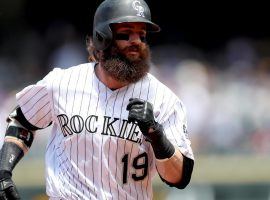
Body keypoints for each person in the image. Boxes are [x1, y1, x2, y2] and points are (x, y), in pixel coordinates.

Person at [0, 0, 194, 199]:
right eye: (126, 33)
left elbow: (179, 177)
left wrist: (156, 134)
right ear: (103, 38)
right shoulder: (61, 83)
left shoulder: (163, 99)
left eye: (142, 34)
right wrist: (3, 171)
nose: (136, 41)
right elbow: (22, 121)